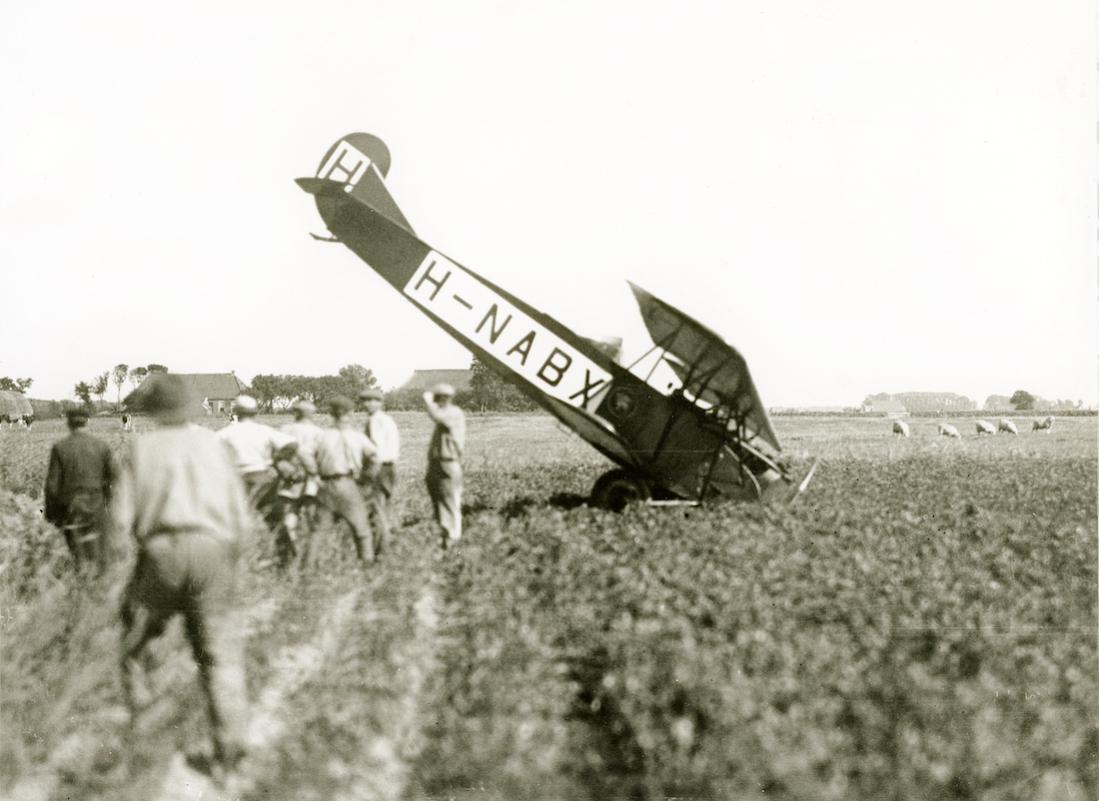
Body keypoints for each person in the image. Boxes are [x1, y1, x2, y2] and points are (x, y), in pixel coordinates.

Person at [110, 375, 251, 775]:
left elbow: (121, 520)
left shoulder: (141, 447)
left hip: (161, 553)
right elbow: (241, 517)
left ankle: (143, 733)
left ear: (153, 408)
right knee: (221, 653)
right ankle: (230, 748)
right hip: (214, 551)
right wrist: (229, 566)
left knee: (135, 645)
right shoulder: (212, 444)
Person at [44, 408, 118, 571]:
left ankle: (81, 582)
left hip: (71, 509)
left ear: (68, 423)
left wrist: (52, 515)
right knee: (100, 558)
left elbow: (51, 487)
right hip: (97, 508)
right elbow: (114, 480)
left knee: (78, 556)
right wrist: (111, 508)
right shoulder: (102, 446)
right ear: (87, 422)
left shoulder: (60, 447)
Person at [314, 396, 380, 563]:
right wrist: (366, 479)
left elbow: (307, 456)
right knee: (362, 531)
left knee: (317, 533)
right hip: (348, 483)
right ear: (350, 413)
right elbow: (375, 458)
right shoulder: (357, 437)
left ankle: (306, 573)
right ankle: (367, 568)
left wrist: (315, 474)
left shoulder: (321, 436)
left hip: (326, 484)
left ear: (331, 413)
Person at [215, 395, 298, 523]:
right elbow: (292, 444)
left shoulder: (224, 433)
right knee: (274, 520)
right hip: (261, 476)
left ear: (236, 411)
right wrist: (277, 461)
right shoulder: (263, 430)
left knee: (234, 520)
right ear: (255, 412)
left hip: (236, 479)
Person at [277, 400, 324, 565]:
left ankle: (291, 549)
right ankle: (312, 556)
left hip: (290, 477)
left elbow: (278, 454)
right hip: (311, 478)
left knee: (290, 514)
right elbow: (321, 456)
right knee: (312, 519)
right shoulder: (318, 432)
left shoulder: (285, 430)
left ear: (295, 413)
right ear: (311, 414)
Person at [422, 383, 465, 549]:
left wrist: (428, 403)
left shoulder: (453, 413)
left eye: (440, 398)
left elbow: (438, 417)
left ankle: (453, 538)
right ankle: (445, 536)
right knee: (439, 500)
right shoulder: (446, 414)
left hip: (448, 462)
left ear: (447, 399)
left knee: (450, 500)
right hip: (437, 462)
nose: (439, 401)